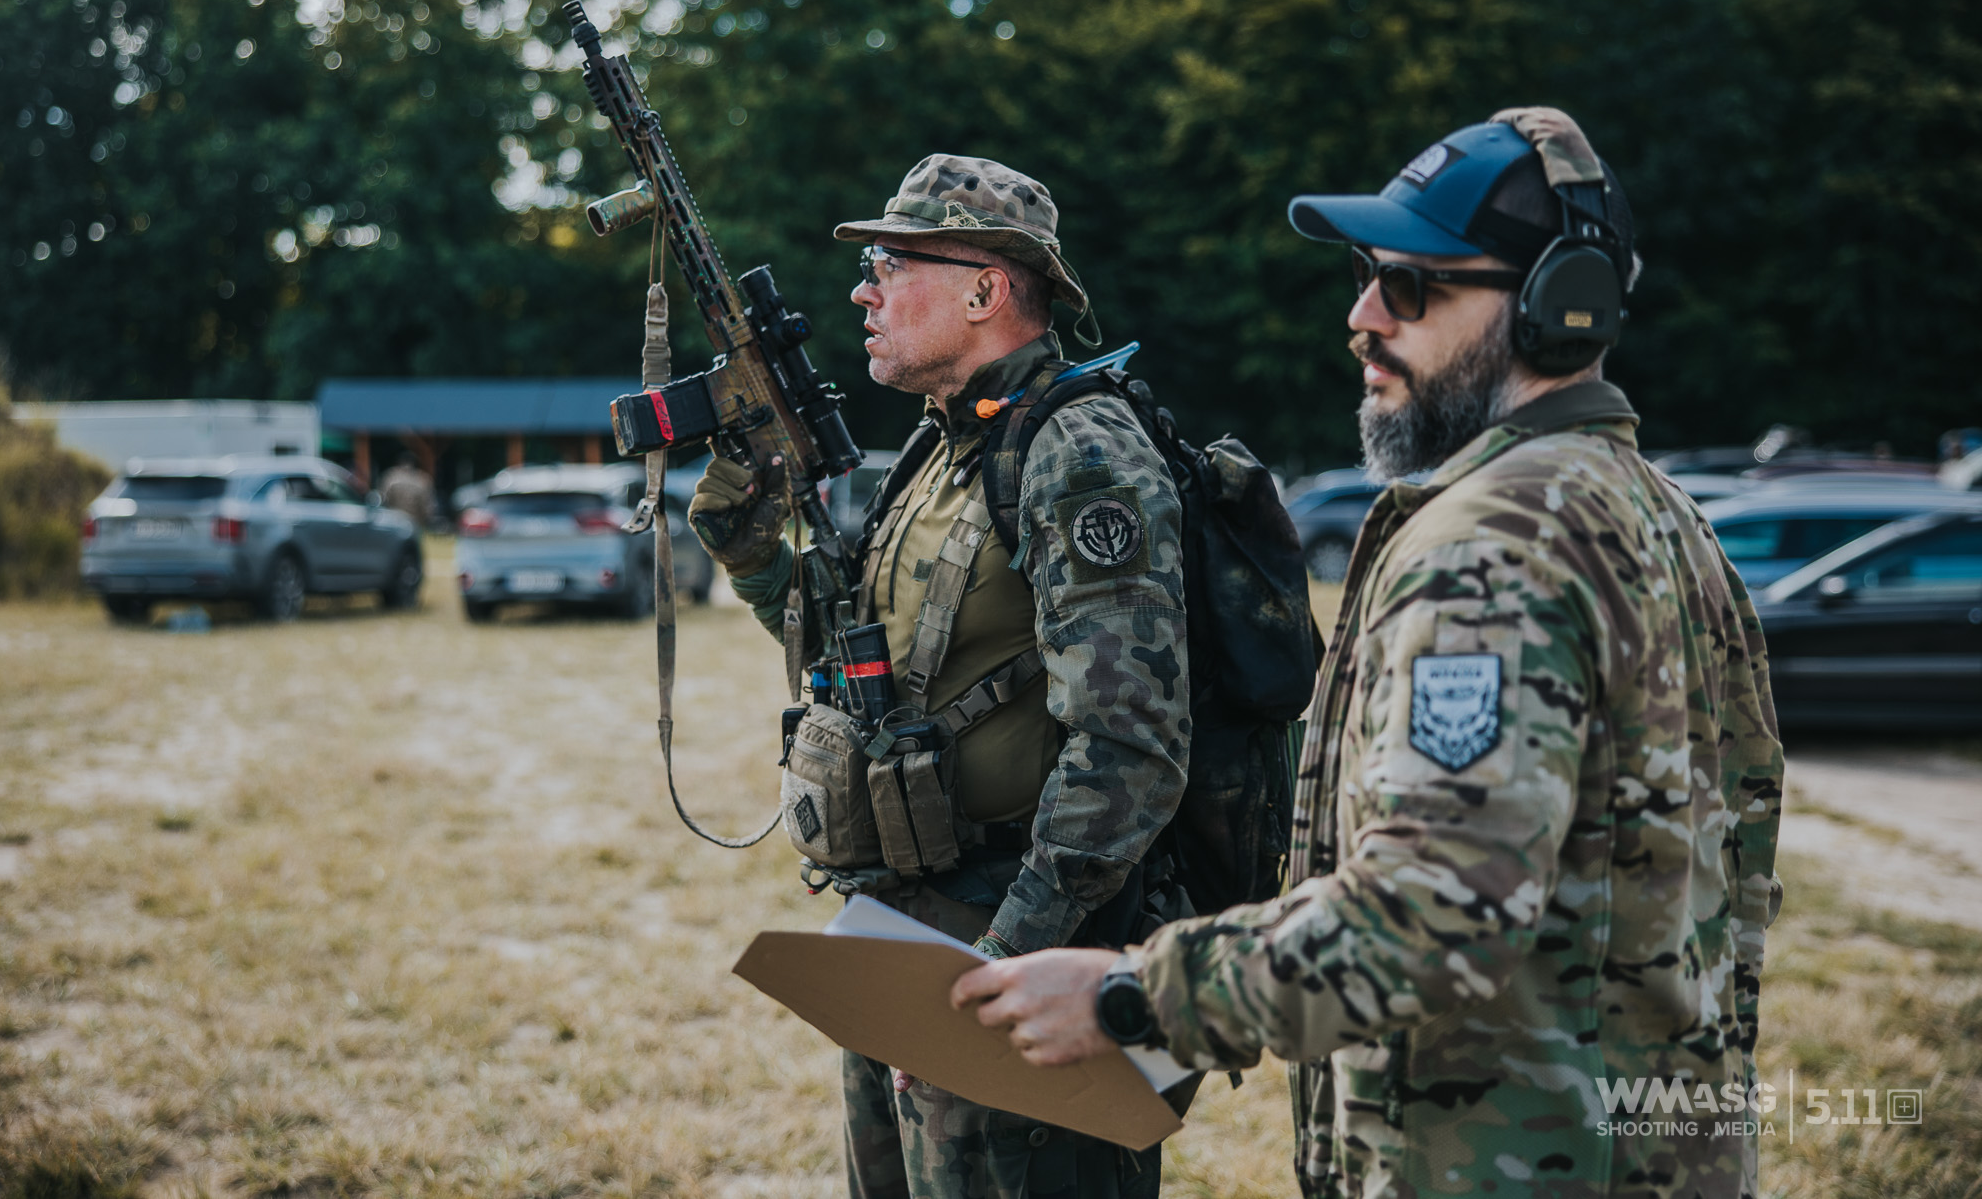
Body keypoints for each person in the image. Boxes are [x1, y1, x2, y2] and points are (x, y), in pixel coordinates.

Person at [949, 110, 1787, 1198]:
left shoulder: (1492, 545)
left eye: (1407, 285)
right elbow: (1740, 871)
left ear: (1551, 306)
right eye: (1361, 273)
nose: (1359, 316)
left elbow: (1432, 911)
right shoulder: (1661, 514)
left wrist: (1128, 996)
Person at [689, 155, 1193, 1198]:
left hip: (1018, 956)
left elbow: (1130, 748)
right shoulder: (942, 449)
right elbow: (867, 672)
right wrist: (751, 555)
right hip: (908, 939)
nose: (861, 291)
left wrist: (999, 970)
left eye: (889, 262)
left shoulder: (1076, 450)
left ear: (984, 289)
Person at [377, 452, 436, 529]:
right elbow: (428, 508)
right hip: (415, 523)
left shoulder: (391, 477)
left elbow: (382, 500)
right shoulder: (423, 480)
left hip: (393, 522)